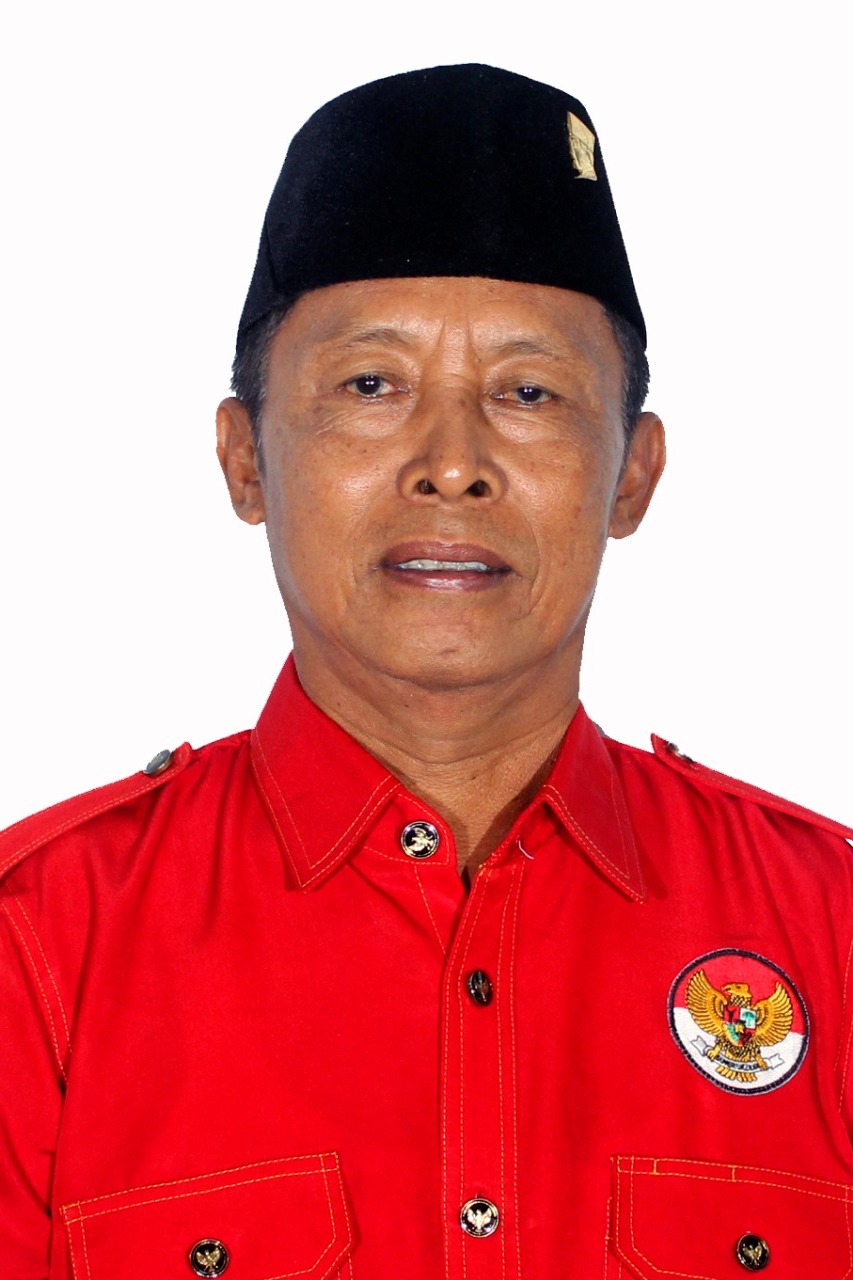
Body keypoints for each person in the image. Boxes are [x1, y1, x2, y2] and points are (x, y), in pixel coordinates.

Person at [2, 63, 852, 1280]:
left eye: (527, 391)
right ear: (245, 461)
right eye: (370, 385)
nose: (452, 463)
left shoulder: (829, 926)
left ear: (631, 474)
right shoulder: (40, 945)